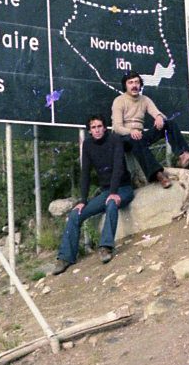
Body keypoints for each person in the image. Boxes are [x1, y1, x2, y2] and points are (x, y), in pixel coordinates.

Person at [53, 114, 134, 273]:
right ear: (89, 130)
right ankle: (65, 257)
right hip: (105, 192)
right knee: (76, 213)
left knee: (111, 204)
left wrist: (113, 192)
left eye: (99, 126)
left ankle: (105, 247)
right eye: (93, 127)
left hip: (123, 188)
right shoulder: (88, 145)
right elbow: (85, 174)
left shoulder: (115, 140)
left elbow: (118, 167)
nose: (97, 130)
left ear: (104, 127)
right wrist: (83, 200)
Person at [111, 71, 189, 189]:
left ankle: (183, 154)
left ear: (140, 84)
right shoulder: (119, 101)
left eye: (137, 82)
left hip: (139, 136)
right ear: (125, 86)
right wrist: (131, 131)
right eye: (130, 83)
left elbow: (158, 113)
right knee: (135, 138)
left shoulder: (144, 99)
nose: (134, 85)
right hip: (123, 138)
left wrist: (158, 117)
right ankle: (158, 174)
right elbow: (117, 127)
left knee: (169, 124)